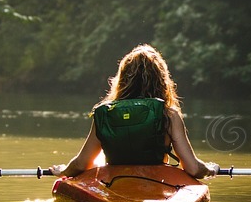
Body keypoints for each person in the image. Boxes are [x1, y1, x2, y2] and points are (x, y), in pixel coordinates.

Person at [50, 44, 218, 179]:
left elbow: (81, 164)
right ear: (161, 80)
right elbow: (193, 169)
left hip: (114, 184)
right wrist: (210, 168)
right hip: (157, 183)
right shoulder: (169, 115)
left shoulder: (106, 114)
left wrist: (64, 171)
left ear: (122, 79)